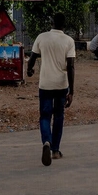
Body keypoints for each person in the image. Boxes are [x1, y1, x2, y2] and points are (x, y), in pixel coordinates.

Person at [26, 12, 76, 166]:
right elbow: (71, 66)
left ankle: (46, 141)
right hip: (61, 85)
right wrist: (72, 91)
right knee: (59, 116)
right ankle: (55, 150)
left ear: (51, 22)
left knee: (45, 116)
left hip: (45, 84)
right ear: (64, 25)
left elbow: (32, 57)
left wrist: (29, 70)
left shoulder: (42, 37)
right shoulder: (68, 41)